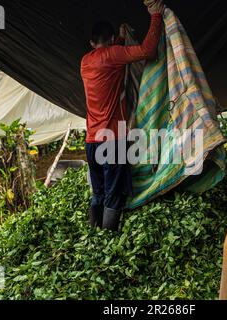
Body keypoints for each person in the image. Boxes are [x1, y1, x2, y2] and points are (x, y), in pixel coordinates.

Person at [80, 1, 165, 231]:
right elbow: (148, 50)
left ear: (91, 42)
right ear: (109, 40)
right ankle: (109, 241)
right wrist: (156, 17)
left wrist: (118, 38)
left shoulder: (85, 61)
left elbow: (106, 55)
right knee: (113, 195)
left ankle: (93, 235)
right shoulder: (114, 55)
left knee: (98, 192)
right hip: (112, 141)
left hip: (91, 141)